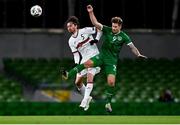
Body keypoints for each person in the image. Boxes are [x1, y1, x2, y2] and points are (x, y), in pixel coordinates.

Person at [62, 5, 147, 112]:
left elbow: (132, 47)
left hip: (109, 60)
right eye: (113, 26)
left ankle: (106, 103)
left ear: (120, 26)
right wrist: (91, 12)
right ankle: (82, 92)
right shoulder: (107, 30)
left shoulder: (124, 36)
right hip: (101, 56)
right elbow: (96, 24)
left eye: (116, 26)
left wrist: (138, 54)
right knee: (81, 75)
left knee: (110, 82)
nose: (114, 28)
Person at [65, 16, 102, 111]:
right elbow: (76, 54)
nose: (69, 28)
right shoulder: (70, 41)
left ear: (76, 26)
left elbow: (99, 28)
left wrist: (97, 38)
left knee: (90, 77)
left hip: (94, 56)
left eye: (70, 26)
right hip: (84, 59)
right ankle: (88, 97)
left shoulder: (85, 30)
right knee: (77, 82)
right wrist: (76, 63)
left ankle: (85, 100)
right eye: (67, 26)